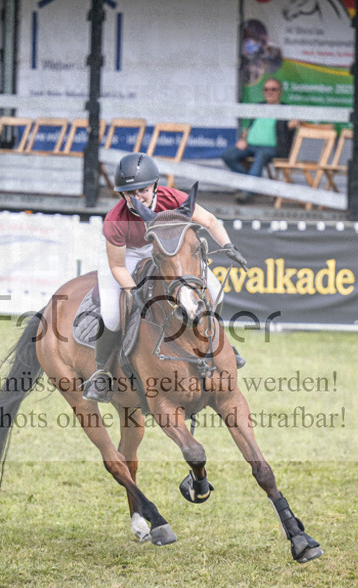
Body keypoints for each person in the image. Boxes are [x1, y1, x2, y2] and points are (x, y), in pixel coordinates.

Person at [82, 153, 248, 403]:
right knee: (113, 316)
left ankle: (218, 345)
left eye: (143, 190)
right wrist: (133, 289)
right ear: (121, 194)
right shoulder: (116, 219)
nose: (137, 197)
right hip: (126, 255)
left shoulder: (173, 199)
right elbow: (117, 266)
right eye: (130, 193)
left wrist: (228, 246)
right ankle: (102, 372)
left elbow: (210, 220)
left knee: (216, 290)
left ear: (155, 186)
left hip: (164, 250)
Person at [221, 78, 299, 203]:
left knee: (261, 156)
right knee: (228, 154)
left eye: (273, 89)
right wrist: (243, 139)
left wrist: (293, 124)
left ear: (280, 92)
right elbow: (249, 126)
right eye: (266, 89)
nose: (270, 92)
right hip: (250, 145)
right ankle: (250, 181)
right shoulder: (259, 106)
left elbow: (297, 123)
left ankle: (248, 192)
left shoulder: (286, 109)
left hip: (273, 149)